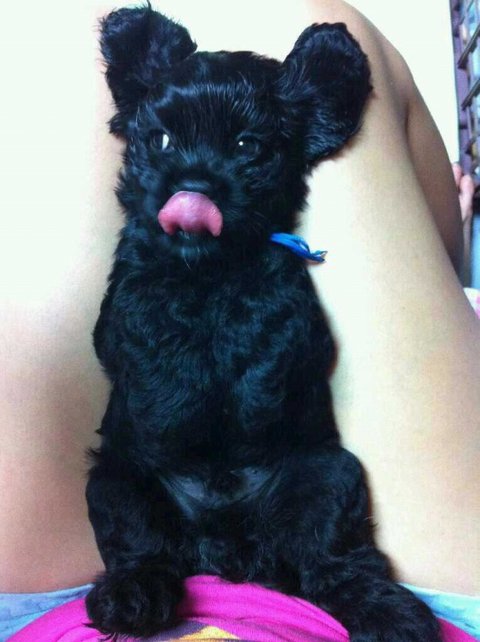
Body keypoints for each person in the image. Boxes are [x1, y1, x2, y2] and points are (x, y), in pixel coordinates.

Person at [0, 0, 478, 639]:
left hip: (282, 479)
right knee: (114, 481)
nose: (194, 177)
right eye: (163, 142)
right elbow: (113, 343)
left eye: (247, 146)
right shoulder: (141, 257)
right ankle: (146, 568)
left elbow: (306, 348)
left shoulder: (274, 264)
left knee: (330, 476)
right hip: (158, 488)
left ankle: (342, 578)